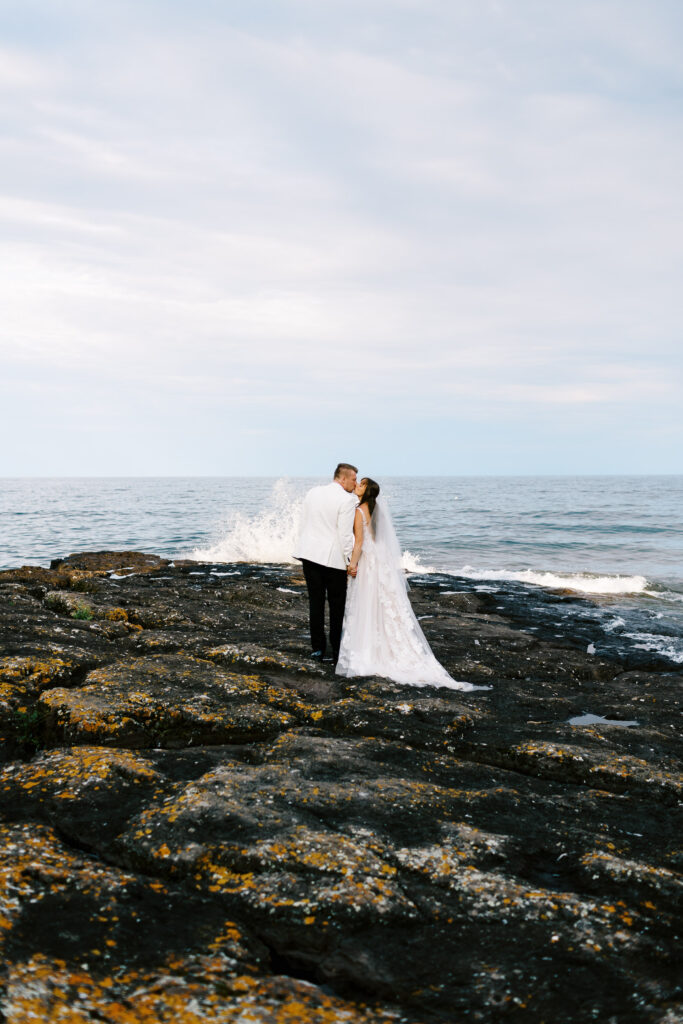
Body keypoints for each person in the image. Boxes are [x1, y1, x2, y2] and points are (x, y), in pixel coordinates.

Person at [336, 477, 477, 690]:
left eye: (361, 484)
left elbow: (359, 544)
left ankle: (370, 651)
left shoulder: (358, 511)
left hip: (367, 565)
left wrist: (352, 565)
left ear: (367, 491)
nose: (357, 485)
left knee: (367, 606)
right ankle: (387, 648)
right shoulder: (377, 511)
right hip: (380, 565)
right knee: (385, 606)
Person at [295, 463, 358, 664]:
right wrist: (350, 562)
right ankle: (338, 650)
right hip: (333, 560)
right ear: (343, 478)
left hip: (309, 555)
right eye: (354, 479)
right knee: (336, 606)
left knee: (316, 603)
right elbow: (345, 535)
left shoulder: (313, 492)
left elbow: (304, 522)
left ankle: (318, 649)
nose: (355, 483)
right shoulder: (347, 500)